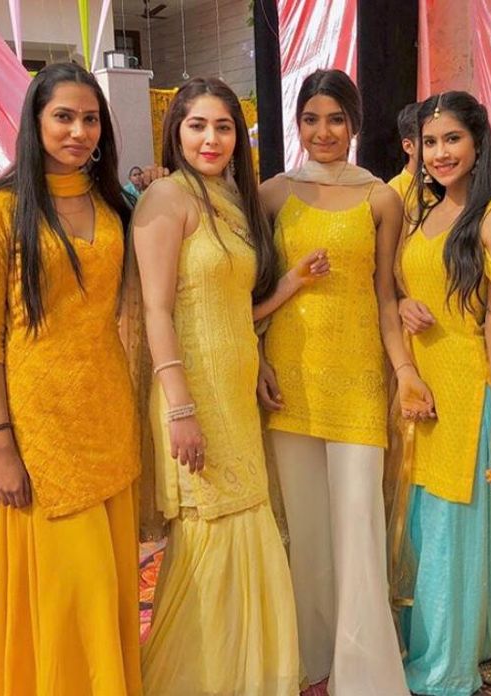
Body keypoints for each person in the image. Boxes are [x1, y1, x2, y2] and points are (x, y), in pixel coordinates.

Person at [133, 76, 328, 696]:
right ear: (176, 130)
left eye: (224, 127)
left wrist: (285, 296)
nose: (212, 138)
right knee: (209, 538)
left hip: (236, 389)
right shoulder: (165, 198)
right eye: (198, 126)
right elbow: (157, 311)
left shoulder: (229, 200)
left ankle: (252, 677)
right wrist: (180, 408)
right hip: (192, 394)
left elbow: (229, 307)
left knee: (247, 523)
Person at [257, 68, 423, 695]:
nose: (322, 132)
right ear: (296, 123)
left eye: (335, 119)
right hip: (289, 376)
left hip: (357, 377)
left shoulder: (383, 198)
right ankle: (310, 652)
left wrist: (402, 369)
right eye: (310, 119)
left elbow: (386, 296)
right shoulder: (273, 193)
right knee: (304, 522)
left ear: (354, 123)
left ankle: (364, 672)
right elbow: (251, 292)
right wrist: (258, 357)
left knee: (357, 519)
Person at [0, 62, 141, 695]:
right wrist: (0, 444)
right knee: (77, 584)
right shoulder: (0, 210)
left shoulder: (109, 203)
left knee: (112, 581)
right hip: (34, 425)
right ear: (36, 122)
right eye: (63, 116)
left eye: (89, 118)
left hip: (106, 411)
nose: (78, 130)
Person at [394, 91, 491, 695]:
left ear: (477, 143)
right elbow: (402, 284)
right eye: (431, 141)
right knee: (420, 531)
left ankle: (446, 665)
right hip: (419, 390)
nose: (440, 153)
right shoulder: (421, 211)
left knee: (451, 533)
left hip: (469, 391)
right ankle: (421, 644)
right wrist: (401, 302)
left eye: (452, 140)